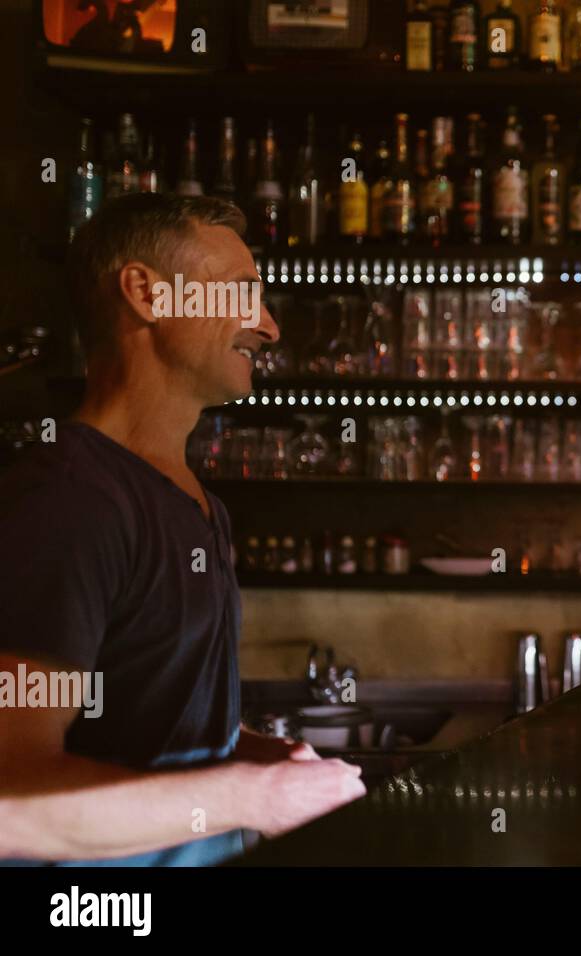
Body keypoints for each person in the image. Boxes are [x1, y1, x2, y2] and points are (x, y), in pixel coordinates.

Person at [0, 193, 365, 865]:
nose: (269, 327)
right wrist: (252, 796)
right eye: (243, 293)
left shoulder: (198, 505)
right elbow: (10, 799)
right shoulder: (69, 500)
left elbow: (138, 728)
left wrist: (249, 751)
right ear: (147, 294)